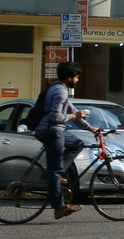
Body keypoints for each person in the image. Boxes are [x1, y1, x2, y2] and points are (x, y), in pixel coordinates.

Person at [32, 62, 88, 220]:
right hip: (51, 131)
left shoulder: (59, 88)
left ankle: (56, 173)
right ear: (69, 77)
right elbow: (56, 117)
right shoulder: (60, 92)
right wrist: (74, 117)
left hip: (57, 129)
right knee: (54, 172)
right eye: (76, 77)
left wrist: (90, 128)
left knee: (78, 144)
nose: (77, 81)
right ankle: (59, 207)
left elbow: (73, 111)